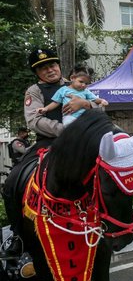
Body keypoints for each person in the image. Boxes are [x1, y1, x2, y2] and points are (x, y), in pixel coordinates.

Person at [0, 48, 98, 260]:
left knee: (113, 170)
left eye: (52, 65)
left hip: (81, 144)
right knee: (12, 182)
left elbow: (100, 110)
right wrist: (66, 130)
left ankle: (119, 220)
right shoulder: (34, 91)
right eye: (43, 67)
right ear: (37, 72)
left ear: (59, 66)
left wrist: (86, 103)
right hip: (49, 144)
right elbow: (34, 121)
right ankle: (18, 236)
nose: (50, 69)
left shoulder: (76, 83)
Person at [36, 67, 108, 125]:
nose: (83, 85)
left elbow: (95, 99)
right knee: (69, 126)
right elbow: (55, 102)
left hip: (84, 116)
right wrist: (45, 109)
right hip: (69, 116)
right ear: (72, 78)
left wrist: (102, 100)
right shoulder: (63, 90)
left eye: (86, 83)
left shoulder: (86, 91)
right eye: (81, 81)